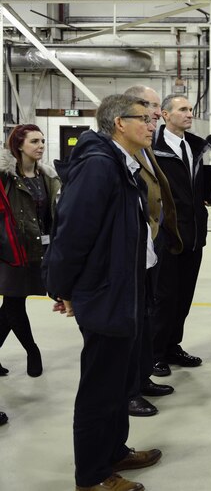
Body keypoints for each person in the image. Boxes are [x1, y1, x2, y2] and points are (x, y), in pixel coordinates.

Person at [44, 93, 162, 491]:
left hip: (126, 287)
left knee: (120, 380)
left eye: (152, 118)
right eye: (143, 118)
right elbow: (72, 233)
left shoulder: (121, 164)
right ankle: (92, 476)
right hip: (107, 291)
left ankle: (114, 451)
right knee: (100, 386)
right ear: (119, 124)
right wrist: (61, 287)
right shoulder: (98, 166)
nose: (151, 124)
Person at [122, 85, 183, 418]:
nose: (156, 115)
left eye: (157, 108)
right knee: (131, 326)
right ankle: (129, 391)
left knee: (147, 318)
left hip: (149, 248)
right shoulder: (123, 151)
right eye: (149, 107)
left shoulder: (146, 148)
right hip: (130, 254)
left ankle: (142, 379)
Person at [150, 94, 211, 377]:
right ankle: (155, 353)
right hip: (167, 234)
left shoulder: (194, 147)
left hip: (194, 234)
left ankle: (173, 345)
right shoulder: (154, 148)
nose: (190, 114)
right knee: (163, 297)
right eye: (183, 109)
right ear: (165, 115)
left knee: (184, 296)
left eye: (191, 109)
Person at [0, 124, 60, 380]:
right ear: (19, 145)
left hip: (39, 247)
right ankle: (32, 351)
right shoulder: (6, 177)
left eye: (43, 141)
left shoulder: (46, 177)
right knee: (14, 301)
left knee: (12, 303)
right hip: (11, 248)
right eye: (34, 141)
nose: (41, 146)